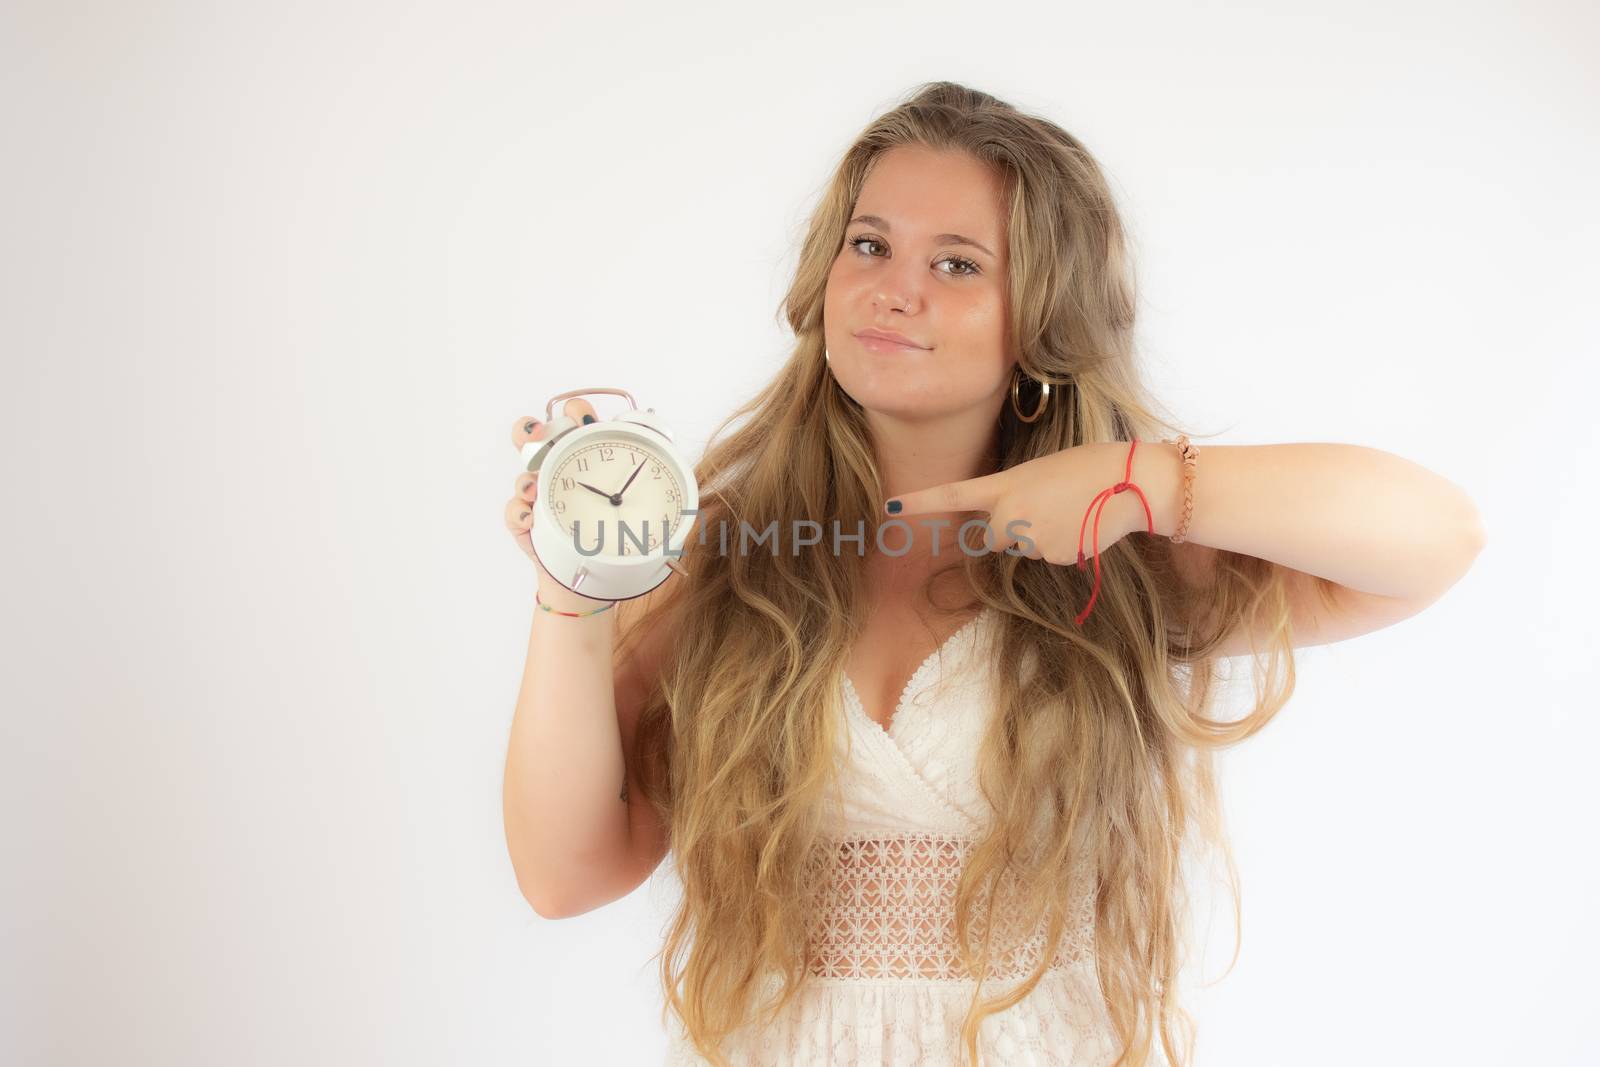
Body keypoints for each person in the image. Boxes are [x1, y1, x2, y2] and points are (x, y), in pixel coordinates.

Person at [499, 81, 1486, 1067]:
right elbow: (565, 871)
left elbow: (1437, 536)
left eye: (958, 263)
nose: (894, 288)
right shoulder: (729, 552)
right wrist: (574, 585)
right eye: (870, 244)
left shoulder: (1124, 562)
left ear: (1042, 318)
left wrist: (1132, 480)